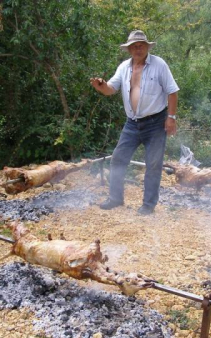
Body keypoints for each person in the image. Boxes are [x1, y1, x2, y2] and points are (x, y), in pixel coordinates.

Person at [90, 30, 179, 215]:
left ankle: (148, 205)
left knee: (153, 164)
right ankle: (115, 198)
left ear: (147, 46)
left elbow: (172, 91)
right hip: (132, 123)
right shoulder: (124, 67)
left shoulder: (159, 64)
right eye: (134, 46)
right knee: (118, 159)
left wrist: (171, 118)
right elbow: (110, 89)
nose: (138, 49)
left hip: (156, 123)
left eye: (141, 45)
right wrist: (101, 86)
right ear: (129, 49)